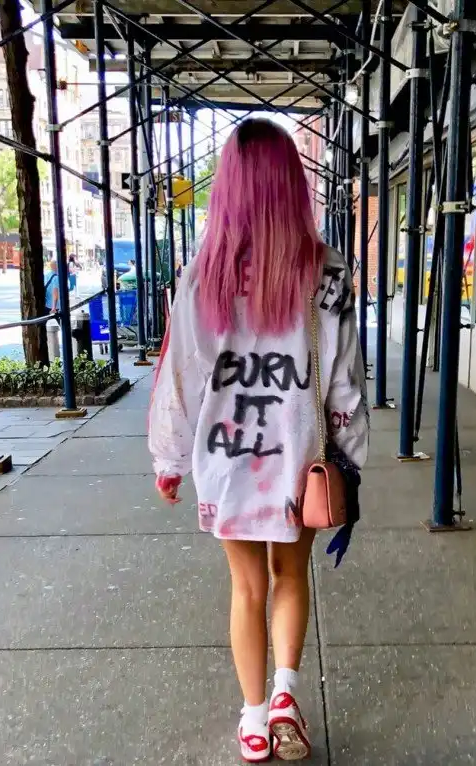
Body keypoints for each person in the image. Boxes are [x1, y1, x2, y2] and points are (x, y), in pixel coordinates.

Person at [148, 120, 369, 762]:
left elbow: (180, 376)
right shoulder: (328, 273)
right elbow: (346, 383)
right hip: (299, 461)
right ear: (290, 185)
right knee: (290, 574)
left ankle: (251, 719)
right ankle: (284, 695)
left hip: (226, 462)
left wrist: (169, 459)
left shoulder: (202, 276)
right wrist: (350, 460)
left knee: (246, 588)